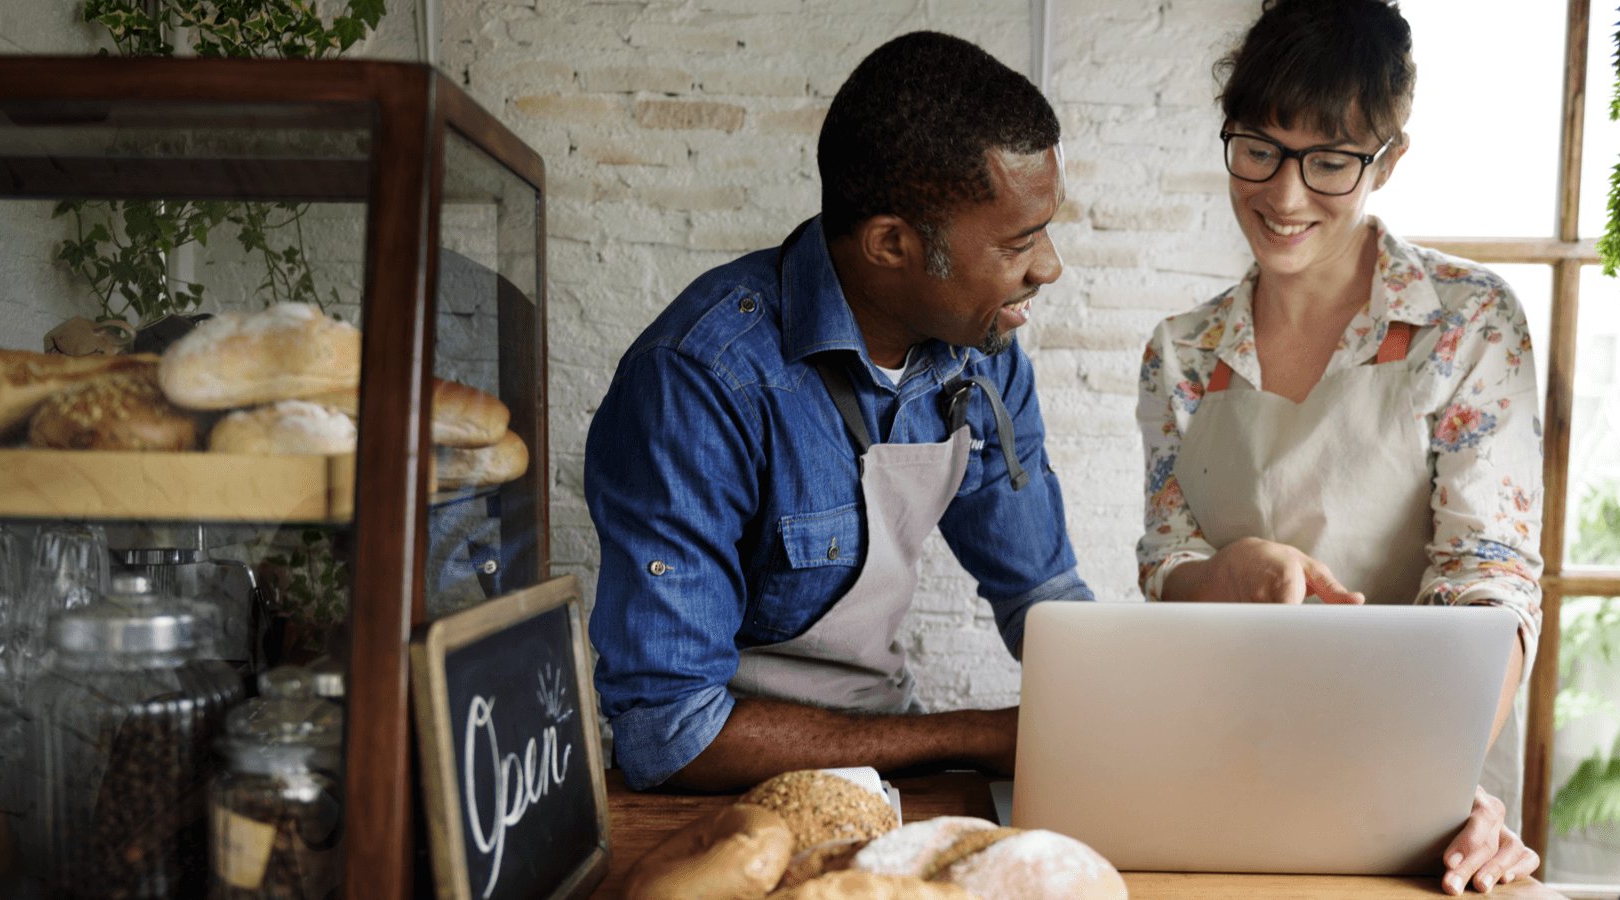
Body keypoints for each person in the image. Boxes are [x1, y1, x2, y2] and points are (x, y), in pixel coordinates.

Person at [585, 31, 1092, 793]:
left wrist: (1120, 705)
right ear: (890, 243)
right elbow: (671, 734)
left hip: (887, 753)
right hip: (728, 785)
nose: (1049, 266)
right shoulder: (701, 380)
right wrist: (979, 737)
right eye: (1019, 242)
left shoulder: (981, 354)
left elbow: (1041, 595)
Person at [1135, 0, 1543, 893]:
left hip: (1422, 783)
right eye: (1259, 149)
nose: (1283, 198)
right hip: (1223, 761)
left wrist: (1429, 779)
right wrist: (1224, 573)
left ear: (1388, 160)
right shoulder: (1184, 352)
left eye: (1329, 162)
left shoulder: (1469, 322)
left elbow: (1488, 578)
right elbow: (1168, 558)